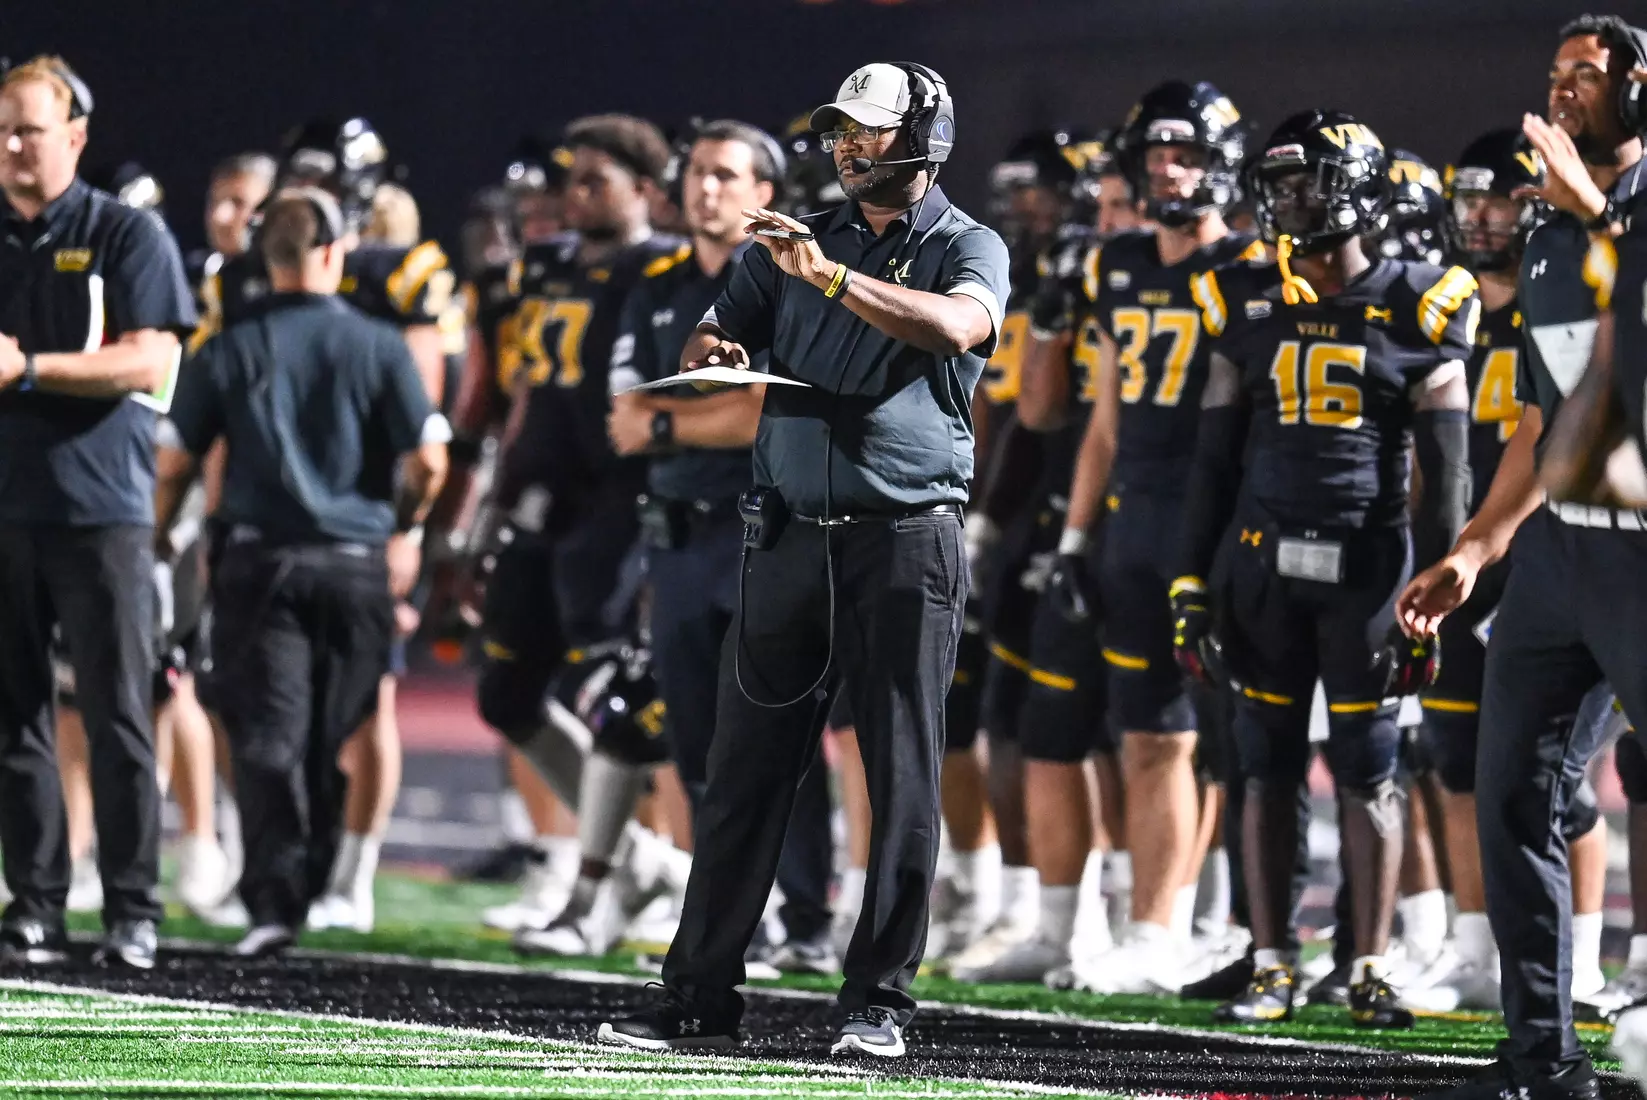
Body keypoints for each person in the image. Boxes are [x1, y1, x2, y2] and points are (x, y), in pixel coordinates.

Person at [599, 60, 1008, 1058]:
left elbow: (961, 325)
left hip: (902, 538)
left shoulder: (966, 242)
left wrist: (828, 279)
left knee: (900, 776)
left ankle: (879, 1000)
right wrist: (713, 355)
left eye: (868, 129)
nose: (848, 146)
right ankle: (698, 994)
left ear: (924, 136)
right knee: (741, 774)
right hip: (784, 533)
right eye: (840, 130)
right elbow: (714, 330)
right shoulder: (796, 238)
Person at [1178, 109, 1477, 1030]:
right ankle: (1271, 960)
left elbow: (1447, 473)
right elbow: (1211, 461)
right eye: (1276, 185)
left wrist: (1437, 586)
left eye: (1304, 181)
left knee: (1369, 766)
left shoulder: (1425, 300)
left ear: (1357, 189)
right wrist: (1189, 583)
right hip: (1262, 564)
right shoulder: (1237, 296)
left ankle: (1368, 964)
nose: (1288, 200)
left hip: (1369, 570)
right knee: (1262, 764)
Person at [1404, 18, 1647, 1100]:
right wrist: (1477, 544)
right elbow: (1545, 419)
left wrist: (1599, 216)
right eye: (1555, 76)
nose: (1562, 93)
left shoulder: (1606, 215)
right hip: (1563, 553)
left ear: (1639, 86)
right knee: (1508, 792)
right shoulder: (1548, 230)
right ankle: (1542, 1054)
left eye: (1585, 75)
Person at [154, 187, 448, 957]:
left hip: (260, 563)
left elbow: (174, 462)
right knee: (336, 732)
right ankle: (332, 882)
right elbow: (428, 460)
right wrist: (406, 525)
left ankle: (276, 899)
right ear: (333, 251)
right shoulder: (379, 344)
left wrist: (156, 539)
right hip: (356, 563)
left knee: (265, 735)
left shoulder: (230, 345)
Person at [1045, 79, 1262, 995]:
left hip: (1217, 518)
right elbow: (1102, 418)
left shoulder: (1256, 267)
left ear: (1224, 165)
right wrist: (1073, 538)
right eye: (1156, 156)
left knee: (1208, 740)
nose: (1168, 171)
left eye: (1188, 155)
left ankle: (1194, 927)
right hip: (1133, 514)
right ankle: (1154, 927)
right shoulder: (1117, 262)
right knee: (1142, 733)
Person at [607, 119, 837, 973]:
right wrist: (688, 418)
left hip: (762, 531)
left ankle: (806, 914)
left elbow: (757, 411)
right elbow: (623, 415)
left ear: (764, 194)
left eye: (726, 175)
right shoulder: (655, 283)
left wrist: (671, 421)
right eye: (697, 171)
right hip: (674, 538)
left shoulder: (785, 279)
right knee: (697, 741)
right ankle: (736, 920)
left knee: (779, 729)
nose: (705, 188)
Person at [0, 55, 196, 970]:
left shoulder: (126, 232)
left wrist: (29, 369)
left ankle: (132, 908)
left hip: (98, 506)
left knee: (119, 712)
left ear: (74, 137)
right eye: (2, 130)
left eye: (29, 130)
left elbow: (152, 361)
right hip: (6, 508)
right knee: (13, 717)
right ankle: (36, 904)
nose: (12, 146)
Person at [479, 114, 691, 959]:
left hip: (617, 500)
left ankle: (609, 882)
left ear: (645, 189)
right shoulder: (548, 264)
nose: (577, 195)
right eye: (574, 179)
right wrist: (497, 497)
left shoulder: (664, 269)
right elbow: (528, 388)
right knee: (506, 695)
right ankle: (640, 861)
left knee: (616, 694)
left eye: (597, 181)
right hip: (543, 500)